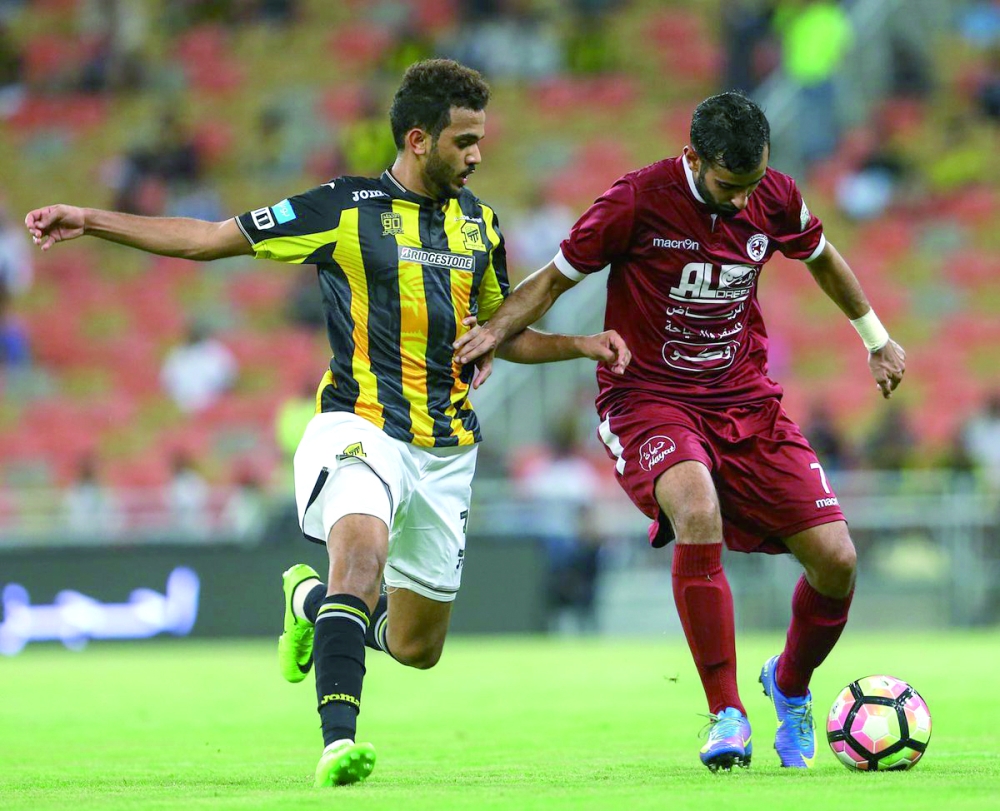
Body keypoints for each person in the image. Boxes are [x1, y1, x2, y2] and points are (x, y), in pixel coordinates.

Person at [25, 58, 630, 787]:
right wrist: (91, 219)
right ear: (418, 139)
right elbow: (208, 238)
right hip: (359, 424)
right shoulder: (345, 207)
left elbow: (500, 333)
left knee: (417, 647)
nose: (478, 155)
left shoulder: (480, 224)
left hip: (447, 449)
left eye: (480, 139)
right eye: (464, 140)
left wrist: (580, 345)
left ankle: (308, 600)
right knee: (361, 561)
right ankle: (338, 742)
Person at [455, 90, 906, 772]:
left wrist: (875, 338)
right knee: (697, 507)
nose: (742, 200)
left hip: (744, 399)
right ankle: (728, 713)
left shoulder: (773, 195)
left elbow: (821, 256)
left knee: (837, 560)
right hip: (648, 396)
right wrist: (494, 331)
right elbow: (552, 281)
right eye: (729, 186)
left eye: (752, 183)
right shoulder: (637, 200)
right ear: (693, 157)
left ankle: (789, 684)